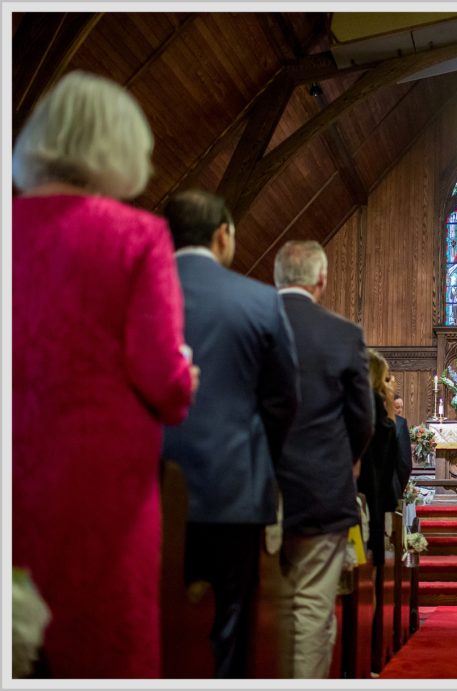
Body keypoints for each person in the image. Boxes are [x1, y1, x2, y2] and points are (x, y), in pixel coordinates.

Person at [12, 71, 196, 678]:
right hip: (98, 486)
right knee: (98, 645)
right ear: (119, 149)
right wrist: (184, 375)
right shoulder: (135, 237)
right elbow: (162, 380)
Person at [162, 189, 300, 678]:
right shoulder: (258, 300)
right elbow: (284, 400)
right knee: (230, 630)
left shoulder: (132, 292)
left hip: (144, 488)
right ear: (223, 235)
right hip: (234, 491)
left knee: (152, 623)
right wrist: (261, 458)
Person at [272, 241, 374, 678]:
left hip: (251, 490)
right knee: (313, 606)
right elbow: (362, 420)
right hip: (320, 491)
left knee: (256, 599)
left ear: (277, 278)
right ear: (321, 281)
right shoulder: (342, 333)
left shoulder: (248, 321)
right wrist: (341, 463)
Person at [358, 350, 403, 672]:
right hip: (366, 503)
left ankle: (367, 654)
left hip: (371, 501)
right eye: (387, 378)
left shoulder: (379, 416)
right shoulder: (375, 415)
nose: (392, 384)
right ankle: (366, 654)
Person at [391, 394, 413, 504]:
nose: (400, 410)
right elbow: (405, 463)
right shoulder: (400, 423)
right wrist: (400, 485)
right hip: (391, 485)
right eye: (397, 407)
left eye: (401, 407)